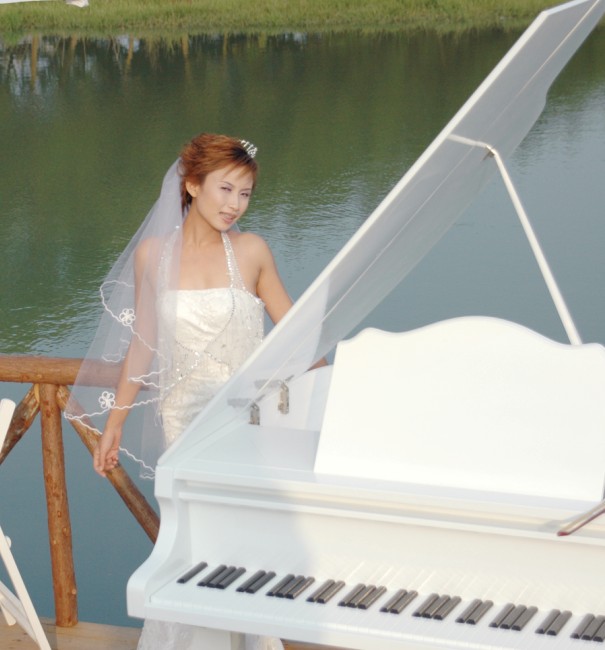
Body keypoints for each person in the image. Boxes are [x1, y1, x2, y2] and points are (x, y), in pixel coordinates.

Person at [67, 133, 292, 650]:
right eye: (225, 189)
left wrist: (332, 390)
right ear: (191, 185)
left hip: (245, 428)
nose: (235, 205)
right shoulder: (153, 256)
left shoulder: (252, 252)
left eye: (245, 194)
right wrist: (116, 422)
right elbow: (143, 345)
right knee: (195, 552)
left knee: (243, 552)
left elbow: (298, 333)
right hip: (183, 428)